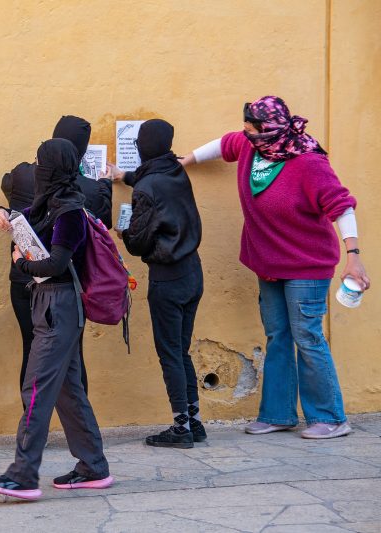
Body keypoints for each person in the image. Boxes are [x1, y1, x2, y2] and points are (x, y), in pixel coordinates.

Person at [179, 96, 370, 439]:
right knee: (277, 336)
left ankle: (330, 417)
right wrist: (187, 160)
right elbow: (224, 144)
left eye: (251, 129)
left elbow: (341, 206)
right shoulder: (252, 145)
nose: (246, 134)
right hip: (268, 263)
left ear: (270, 130)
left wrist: (353, 255)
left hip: (306, 265)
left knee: (306, 337)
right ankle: (279, 414)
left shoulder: (309, 164)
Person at [0, 138, 112, 500]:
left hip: (60, 305)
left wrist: (21, 263)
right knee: (68, 390)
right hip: (47, 303)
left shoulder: (70, 210)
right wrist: (8, 221)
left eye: (41, 163)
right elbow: (23, 217)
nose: (36, 168)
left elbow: (56, 263)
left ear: (53, 168)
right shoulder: (48, 204)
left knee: (36, 386)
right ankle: (93, 466)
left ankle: (23, 475)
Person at [0, 115, 113, 398]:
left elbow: (7, 185)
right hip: (67, 287)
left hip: (23, 279)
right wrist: (107, 184)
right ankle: (78, 425)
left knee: (32, 349)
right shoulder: (89, 190)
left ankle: (31, 421)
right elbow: (105, 220)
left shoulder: (22, 174)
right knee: (73, 355)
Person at [112, 119, 206, 448]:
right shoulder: (176, 172)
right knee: (181, 351)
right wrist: (121, 175)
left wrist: (124, 234)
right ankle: (194, 421)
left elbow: (138, 242)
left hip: (168, 278)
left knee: (169, 354)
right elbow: (148, 178)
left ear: (142, 146)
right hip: (194, 272)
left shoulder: (147, 188)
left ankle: (180, 428)